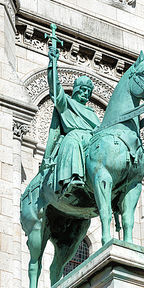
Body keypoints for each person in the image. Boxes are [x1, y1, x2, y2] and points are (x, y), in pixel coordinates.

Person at [42, 46, 101, 195]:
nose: (85, 94)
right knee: (73, 140)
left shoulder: (92, 113)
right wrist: (52, 64)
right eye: (83, 90)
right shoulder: (67, 103)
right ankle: (72, 178)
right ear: (76, 90)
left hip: (92, 139)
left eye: (88, 92)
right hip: (74, 138)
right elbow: (55, 89)